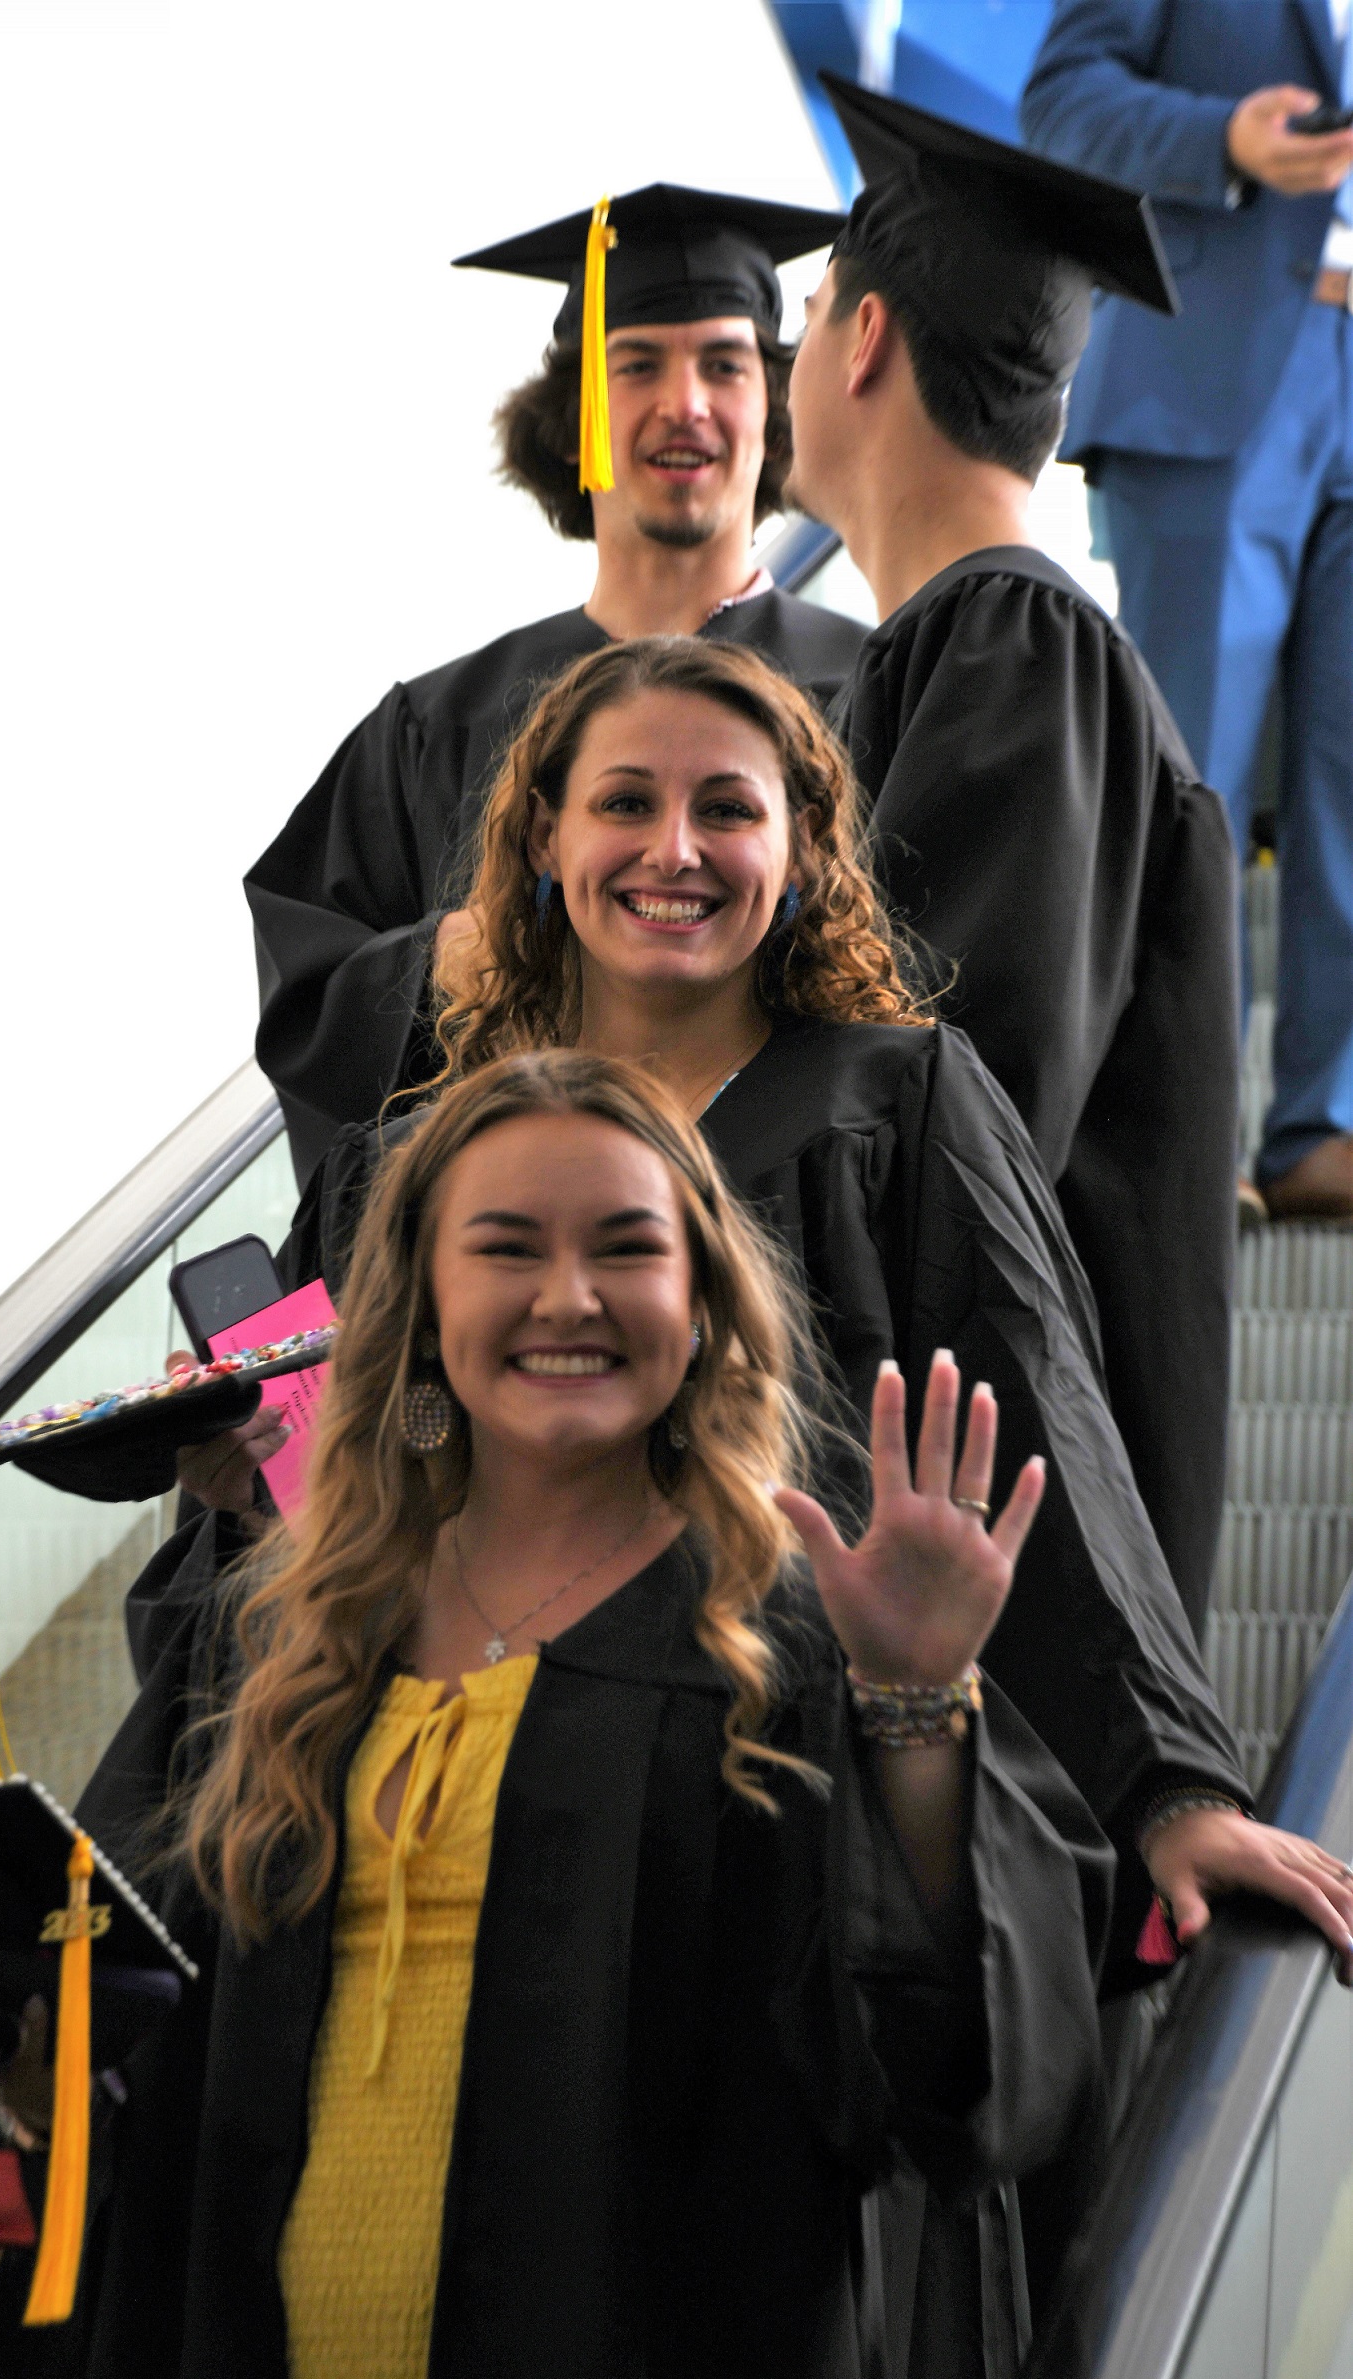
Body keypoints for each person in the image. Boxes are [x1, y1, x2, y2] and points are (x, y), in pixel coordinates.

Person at [0, 1053, 1114, 2379]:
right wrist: (24, 2051)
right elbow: (168, 2064)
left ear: (704, 1302)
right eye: (505, 1247)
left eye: (627, 1247)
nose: (567, 1295)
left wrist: (914, 1702)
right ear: (422, 1305)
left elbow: (947, 2084)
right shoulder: (300, 1635)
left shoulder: (778, 1647)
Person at [785, 73, 1239, 1633]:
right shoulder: (974, 646)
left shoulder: (1013, 639)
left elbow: (943, 1112)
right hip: (961, 1533)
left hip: (996, 1570)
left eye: (802, 313)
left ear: (859, 340)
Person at [244, 182, 865, 1179]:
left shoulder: (877, 687)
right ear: (574, 414)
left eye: (723, 363)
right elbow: (311, 1001)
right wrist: (438, 963)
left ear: (774, 402)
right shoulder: (438, 723)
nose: (685, 404)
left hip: (814, 1246)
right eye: (636, 365)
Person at [1023, 0, 1353, 1224]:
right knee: (1191, 776)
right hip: (1214, 369)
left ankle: (1323, 1123)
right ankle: (1178, 1129)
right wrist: (1225, 139)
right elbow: (1060, 102)